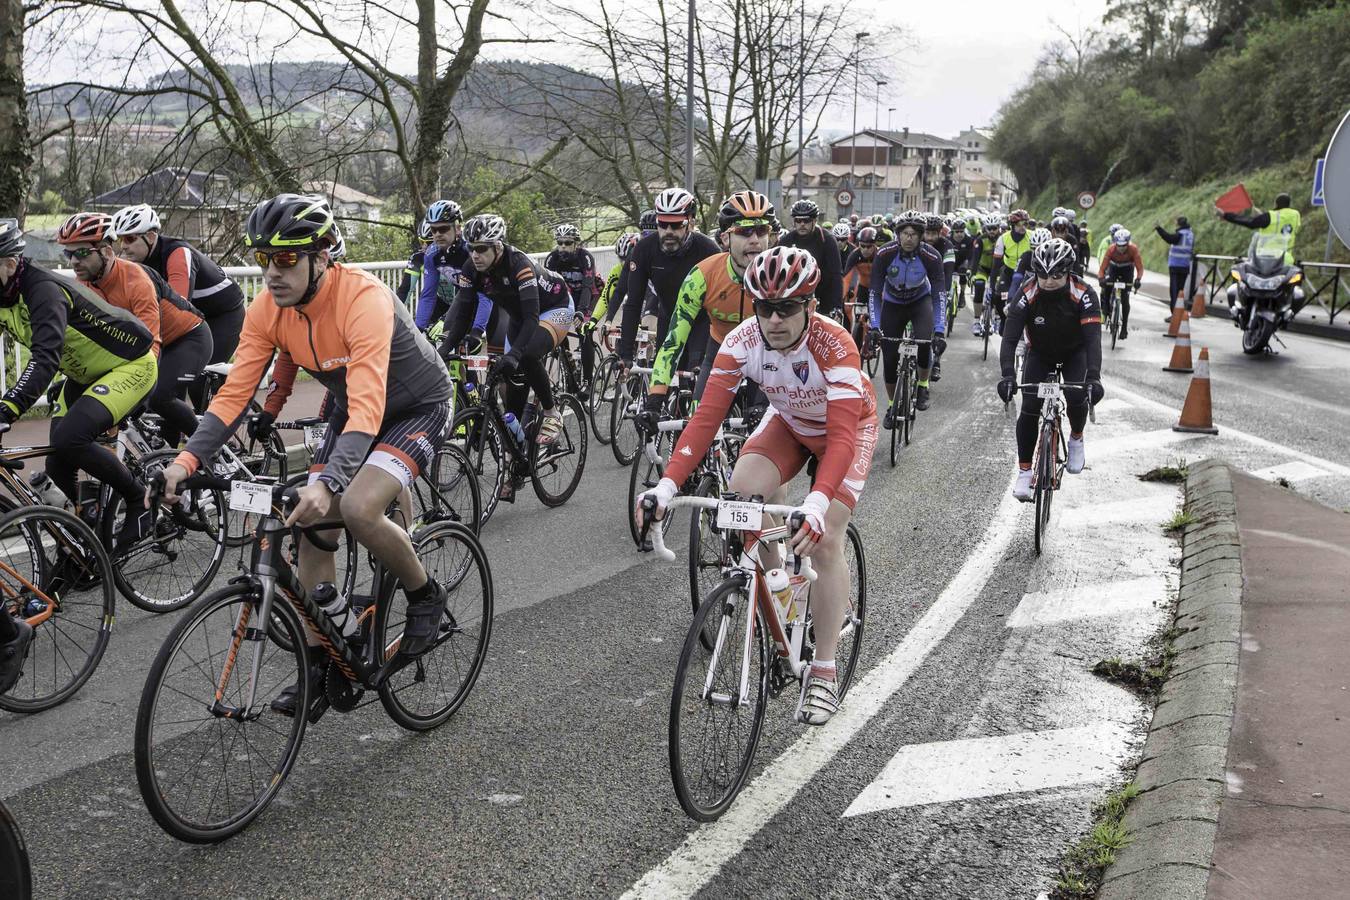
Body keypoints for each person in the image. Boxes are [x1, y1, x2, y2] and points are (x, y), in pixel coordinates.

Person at [158, 194, 452, 720]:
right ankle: (322, 664)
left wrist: (330, 482)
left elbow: (369, 403)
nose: (272, 272)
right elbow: (233, 395)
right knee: (307, 525)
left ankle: (424, 593)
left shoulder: (363, 298)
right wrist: (188, 461)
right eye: (265, 257)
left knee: (358, 508)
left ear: (323, 256)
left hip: (415, 406)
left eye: (287, 258)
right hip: (352, 408)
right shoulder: (268, 309)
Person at [636, 245, 877, 726]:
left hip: (844, 432)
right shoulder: (742, 341)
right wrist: (665, 486)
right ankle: (782, 588)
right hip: (788, 423)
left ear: (810, 305)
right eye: (765, 307)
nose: (774, 319)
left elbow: (844, 435)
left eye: (787, 307)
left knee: (825, 533)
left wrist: (815, 499)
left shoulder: (835, 345)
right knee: (742, 493)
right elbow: (706, 419)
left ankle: (824, 670)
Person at [0, 218, 158, 551]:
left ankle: (137, 499)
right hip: (87, 375)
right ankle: (78, 545)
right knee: (58, 457)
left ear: (11, 264)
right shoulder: (5, 291)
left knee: (71, 437)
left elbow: (45, 358)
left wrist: (10, 406)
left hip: (130, 365)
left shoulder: (42, 291)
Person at [441, 214, 574, 490]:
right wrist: (443, 349)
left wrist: (513, 355)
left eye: (482, 249)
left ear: (497, 247)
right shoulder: (471, 268)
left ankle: (551, 412)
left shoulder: (519, 265)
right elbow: (464, 313)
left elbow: (532, 317)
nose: (475, 255)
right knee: (511, 399)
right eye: (471, 248)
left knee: (524, 357)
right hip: (519, 318)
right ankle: (517, 466)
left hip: (554, 308)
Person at [59, 213, 210, 450]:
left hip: (187, 337)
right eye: (69, 254)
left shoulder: (136, 279)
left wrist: (140, 389)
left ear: (107, 251)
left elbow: (152, 341)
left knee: (159, 396)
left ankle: (209, 449)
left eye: (82, 253)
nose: (74, 261)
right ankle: (165, 459)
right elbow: (84, 342)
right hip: (142, 345)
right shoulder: (83, 286)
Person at [640, 190, 774, 415]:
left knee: (768, 429)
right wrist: (655, 399)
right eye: (743, 231)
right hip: (720, 352)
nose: (754, 240)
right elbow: (673, 342)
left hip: (769, 358)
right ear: (725, 238)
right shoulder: (702, 276)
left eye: (761, 231)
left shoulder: (782, 277)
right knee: (697, 424)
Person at [997, 238, 1103, 501]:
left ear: (1068, 272)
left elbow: (1092, 340)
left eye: (1056, 275)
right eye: (1043, 274)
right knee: (1030, 407)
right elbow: (1010, 339)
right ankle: (1023, 474)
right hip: (1040, 353)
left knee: (1077, 396)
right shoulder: (1027, 292)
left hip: (1074, 352)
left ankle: (1076, 437)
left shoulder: (1085, 293)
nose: (1049, 281)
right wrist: (1008, 375)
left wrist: (1094, 377)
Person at [110, 203, 244, 409]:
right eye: (119, 240)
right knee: (167, 383)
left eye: (129, 238)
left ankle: (213, 432)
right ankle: (172, 436)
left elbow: (179, 304)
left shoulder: (178, 253)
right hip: (189, 319)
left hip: (222, 315)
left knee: (199, 378)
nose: (123, 246)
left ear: (151, 236)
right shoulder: (133, 264)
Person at [617, 188, 720, 366]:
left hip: (702, 323)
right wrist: (625, 356)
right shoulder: (644, 249)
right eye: (662, 224)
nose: (668, 231)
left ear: (691, 223)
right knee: (660, 384)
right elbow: (633, 303)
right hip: (669, 318)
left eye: (677, 224)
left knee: (694, 377)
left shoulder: (709, 250)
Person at [869, 210, 945, 416]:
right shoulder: (884, 253)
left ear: (921, 236)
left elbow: (939, 294)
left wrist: (939, 330)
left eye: (913, 234)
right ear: (898, 234)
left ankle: (922, 385)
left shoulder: (931, 256)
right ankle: (892, 404)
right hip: (892, 303)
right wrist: (874, 326)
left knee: (923, 341)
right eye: (904, 233)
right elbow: (875, 292)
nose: (908, 238)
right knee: (890, 358)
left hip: (920, 301)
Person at [777, 200, 844, 319]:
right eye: (798, 220)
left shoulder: (827, 240)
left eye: (806, 221)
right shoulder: (786, 241)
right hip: (795, 295)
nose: (802, 224)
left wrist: (836, 306)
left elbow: (836, 275)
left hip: (823, 293)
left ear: (815, 221)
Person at [1218, 191, 1300, 264]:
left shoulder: (1270, 216)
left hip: (1266, 261)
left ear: (1276, 203)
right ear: (1289, 204)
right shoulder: (1296, 215)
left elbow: (1250, 223)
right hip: (1286, 260)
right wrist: (1261, 216)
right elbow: (1278, 223)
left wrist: (1226, 215)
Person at [988, 209, 1032, 332]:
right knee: (999, 297)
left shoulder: (1031, 236)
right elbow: (996, 266)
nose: (1023, 227)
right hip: (1009, 271)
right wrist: (991, 285)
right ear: (1012, 226)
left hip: (1025, 272)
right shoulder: (1003, 239)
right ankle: (1003, 320)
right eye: (1019, 224)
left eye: (1025, 224)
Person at [545, 224, 598, 320]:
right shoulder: (552, 258)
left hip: (587, 292)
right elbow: (547, 286)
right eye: (560, 242)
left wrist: (581, 311)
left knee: (582, 327)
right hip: (569, 292)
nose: (563, 246)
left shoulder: (585, 257)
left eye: (568, 242)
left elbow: (587, 286)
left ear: (575, 244)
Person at [1098, 228, 1144, 338]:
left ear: (1128, 243)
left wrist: (1138, 279)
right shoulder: (1111, 249)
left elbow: (1140, 268)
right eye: (1119, 245)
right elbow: (1102, 269)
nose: (1121, 248)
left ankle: (1124, 328)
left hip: (1127, 270)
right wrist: (1101, 279)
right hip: (1113, 268)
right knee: (1107, 287)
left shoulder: (1133, 249)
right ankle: (1106, 309)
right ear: (1115, 243)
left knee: (1125, 300)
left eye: (1124, 245)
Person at [843, 225, 879, 348]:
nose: (865, 249)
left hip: (878, 288)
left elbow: (887, 277)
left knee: (879, 315)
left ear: (874, 245)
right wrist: (842, 297)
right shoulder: (854, 255)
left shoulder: (880, 255)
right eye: (862, 245)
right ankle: (862, 342)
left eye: (869, 246)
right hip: (863, 287)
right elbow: (847, 278)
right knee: (860, 317)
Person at [969, 214, 1001, 336]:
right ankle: (977, 321)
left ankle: (997, 318)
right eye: (989, 228)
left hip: (997, 270)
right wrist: (972, 274)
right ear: (985, 228)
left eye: (994, 228)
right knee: (979, 285)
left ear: (998, 228)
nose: (992, 231)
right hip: (982, 269)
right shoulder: (980, 240)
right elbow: (975, 258)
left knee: (999, 291)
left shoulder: (1003, 239)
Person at [1154, 216, 1195, 307]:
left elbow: (1169, 238)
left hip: (1176, 266)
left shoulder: (1180, 234)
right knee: (1180, 290)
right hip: (1185, 266)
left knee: (1174, 291)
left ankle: (1174, 314)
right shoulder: (1190, 234)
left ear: (1178, 224)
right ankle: (1178, 312)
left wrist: (1159, 229)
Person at [395, 219, 433, 309]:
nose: (424, 246)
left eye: (429, 243)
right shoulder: (417, 258)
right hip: (439, 301)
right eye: (421, 242)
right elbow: (405, 290)